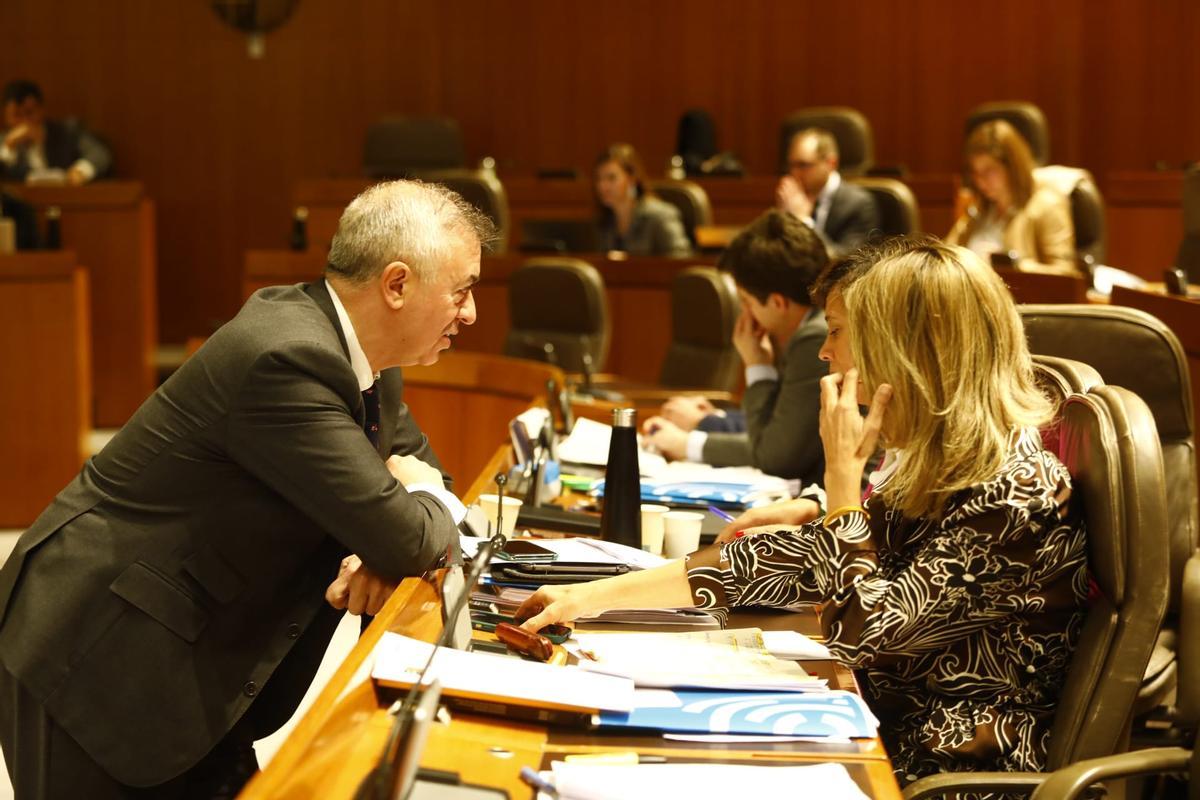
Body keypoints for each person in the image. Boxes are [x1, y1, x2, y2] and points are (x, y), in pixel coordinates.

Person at [518, 238, 1088, 786]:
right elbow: (796, 560)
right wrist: (588, 597)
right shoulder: (943, 462)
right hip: (875, 732)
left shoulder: (1015, 493)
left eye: (840, 333)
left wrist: (841, 483)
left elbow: (862, 630)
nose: (823, 350)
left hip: (938, 770)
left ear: (908, 350)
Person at [0, 180, 491, 797]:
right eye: (462, 290)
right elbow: (415, 530)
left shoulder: (364, 361)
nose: (471, 313)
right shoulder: (287, 358)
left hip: (191, 658)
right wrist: (409, 516)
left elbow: (416, 492)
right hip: (99, 654)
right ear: (396, 284)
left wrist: (399, 520)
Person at [643, 210, 827, 487]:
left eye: (747, 301)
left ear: (777, 303)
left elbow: (775, 456)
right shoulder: (809, 326)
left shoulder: (814, 339)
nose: (745, 313)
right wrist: (714, 420)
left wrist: (757, 366)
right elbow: (783, 425)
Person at [945, 119, 1076, 275]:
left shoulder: (1047, 205)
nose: (980, 180)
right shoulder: (980, 209)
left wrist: (1017, 268)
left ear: (1013, 166)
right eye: (976, 172)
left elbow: (1066, 274)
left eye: (989, 170)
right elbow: (947, 253)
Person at [775, 127, 878, 258]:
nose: (794, 173)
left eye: (803, 165)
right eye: (791, 165)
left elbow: (846, 262)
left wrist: (803, 220)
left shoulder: (860, 204)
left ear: (831, 163)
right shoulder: (791, 198)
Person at [0, 80, 113, 185]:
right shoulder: (3, 143)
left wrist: (80, 171)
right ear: (6, 116)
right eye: (16, 115)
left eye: (29, 113)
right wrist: (8, 147)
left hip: (67, 199)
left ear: (41, 110)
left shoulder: (68, 131)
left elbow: (99, 154)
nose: (24, 121)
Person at [593, 142, 692, 257]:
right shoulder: (603, 221)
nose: (602, 186)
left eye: (611, 178)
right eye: (599, 178)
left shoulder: (660, 216)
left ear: (632, 179)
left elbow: (681, 259)